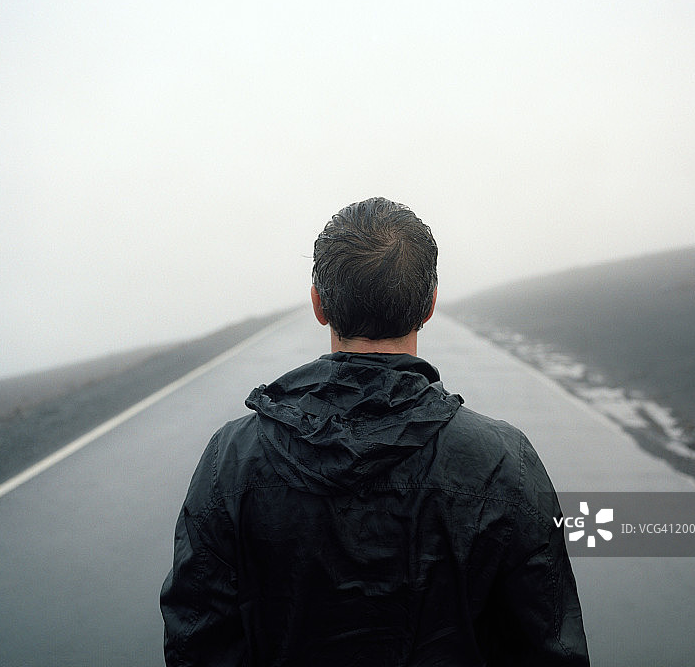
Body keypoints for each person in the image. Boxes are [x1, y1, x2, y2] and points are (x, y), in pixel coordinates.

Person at [160, 197, 589, 666]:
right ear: (429, 304)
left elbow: (197, 642)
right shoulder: (505, 463)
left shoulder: (231, 460)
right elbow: (547, 646)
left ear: (319, 304)